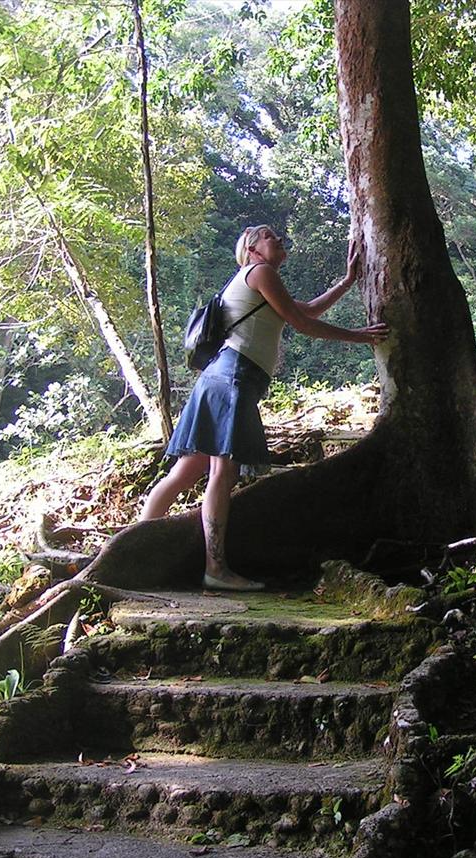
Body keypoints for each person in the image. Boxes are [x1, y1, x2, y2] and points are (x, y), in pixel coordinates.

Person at [139, 225, 388, 592]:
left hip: (220, 378)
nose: (280, 240)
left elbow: (305, 309)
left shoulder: (255, 281)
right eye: (270, 236)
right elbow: (303, 323)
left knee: (187, 470)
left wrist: (348, 281)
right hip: (232, 378)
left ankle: (137, 546)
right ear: (252, 249)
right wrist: (359, 336)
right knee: (222, 472)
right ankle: (216, 569)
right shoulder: (260, 272)